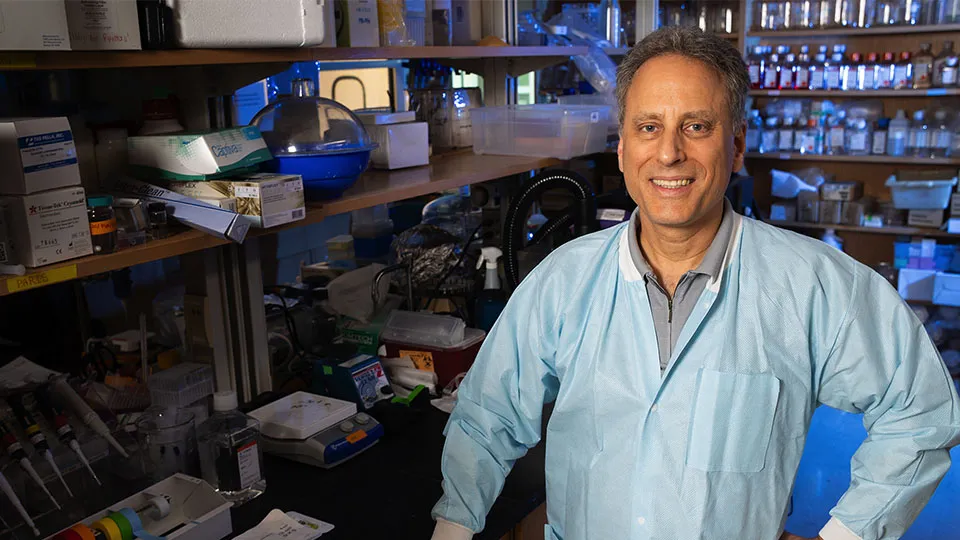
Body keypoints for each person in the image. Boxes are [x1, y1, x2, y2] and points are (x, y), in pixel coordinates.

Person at [431, 26, 960, 540]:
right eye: (648, 127)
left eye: (697, 126)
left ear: (736, 146)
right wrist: (452, 527)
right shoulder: (563, 282)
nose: (668, 154)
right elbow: (486, 417)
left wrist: (845, 534)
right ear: (621, 149)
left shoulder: (815, 286)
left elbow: (921, 412)